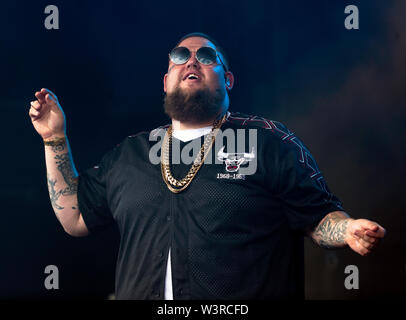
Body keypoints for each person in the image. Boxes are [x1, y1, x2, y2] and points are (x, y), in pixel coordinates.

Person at [28, 32, 386, 300]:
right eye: (180, 55)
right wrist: (53, 138)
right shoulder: (130, 154)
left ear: (227, 80)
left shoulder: (268, 142)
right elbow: (75, 217)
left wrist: (347, 228)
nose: (192, 60)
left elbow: (319, 217)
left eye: (207, 55)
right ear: (166, 82)